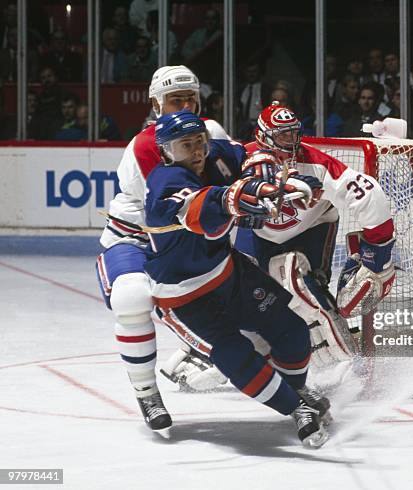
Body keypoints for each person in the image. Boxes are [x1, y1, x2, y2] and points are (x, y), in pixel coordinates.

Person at [167, 102, 396, 390]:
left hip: (312, 229)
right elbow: (204, 182)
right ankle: (217, 351)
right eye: (282, 135)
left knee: (302, 287)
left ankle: (344, 354)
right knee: (252, 302)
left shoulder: (317, 163)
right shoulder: (241, 160)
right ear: (263, 135)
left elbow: (368, 195)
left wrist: (378, 256)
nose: (291, 142)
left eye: (294, 134)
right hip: (259, 237)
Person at [145, 110, 330, 448]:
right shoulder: (163, 183)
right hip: (184, 297)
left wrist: (264, 167)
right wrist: (238, 197)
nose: (196, 151)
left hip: (229, 274)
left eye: (198, 142)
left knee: (291, 329)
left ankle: (296, 389)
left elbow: (246, 151)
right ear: (166, 151)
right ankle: (295, 408)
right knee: (235, 355)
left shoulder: (215, 154)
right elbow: (202, 211)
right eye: (185, 145)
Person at [95, 65, 231, 432]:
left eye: (191, 98)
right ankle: (147, 392)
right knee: (132, 297)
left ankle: (200, 348)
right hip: (135, 237)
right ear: (157, 103)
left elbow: (235, 174)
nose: (185, 104)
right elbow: (166, 212)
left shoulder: (212, 131)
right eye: (176, 99)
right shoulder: (144, 145)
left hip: (184, 233)